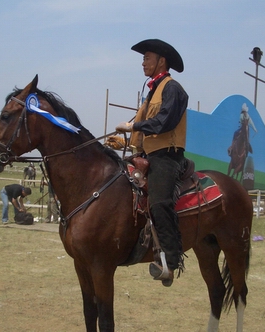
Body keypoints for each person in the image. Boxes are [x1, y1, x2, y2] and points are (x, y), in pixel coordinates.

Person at [116, 39, 188, 287]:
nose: (143, 62)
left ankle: (170, 261)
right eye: (143, 58)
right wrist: (122, 139)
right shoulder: (152, 92)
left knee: (158, 203)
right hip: (149, 154)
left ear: (161, 61)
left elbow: (164, 122)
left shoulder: (173, 89)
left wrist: (133, 125)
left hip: (167, 156)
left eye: (147, 57)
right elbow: (142, 127)